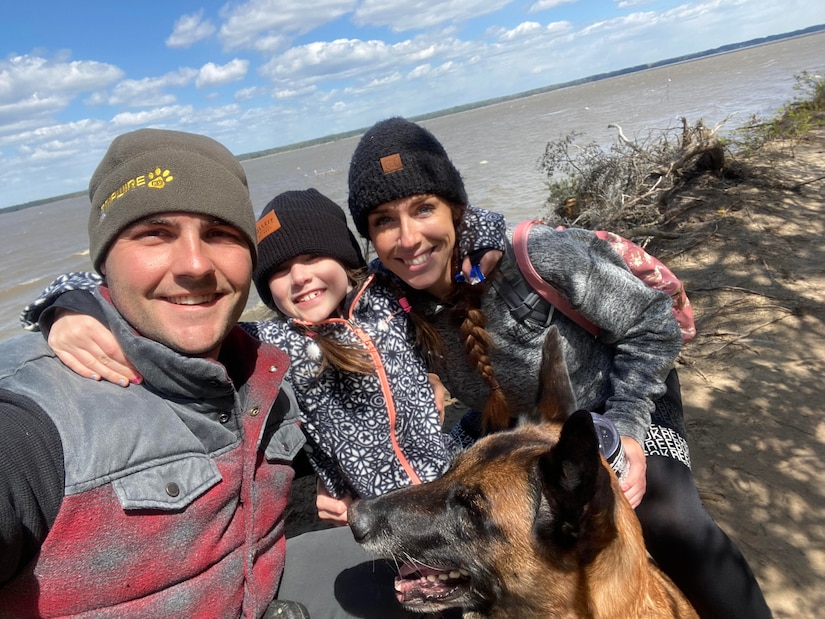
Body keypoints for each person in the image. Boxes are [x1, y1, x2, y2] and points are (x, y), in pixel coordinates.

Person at [342, 117, 773, 619]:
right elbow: (327, 322)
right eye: (383, 222)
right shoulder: (391, 306)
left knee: (675, 518)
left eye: (423, 209)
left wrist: (629, 427)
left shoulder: (538, 255)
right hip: (527, 427)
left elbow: (654, 323)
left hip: (624, 400)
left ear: (453, 209)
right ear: (370, 237)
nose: (408, 238)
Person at [0, 128, 413, 618]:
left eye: (220, 234)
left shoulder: (263, 363)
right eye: (154, 233)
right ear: (106, 261)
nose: (195, 264)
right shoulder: (37, 416)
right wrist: (64, 304)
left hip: (264, 585)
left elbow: (427, 261)